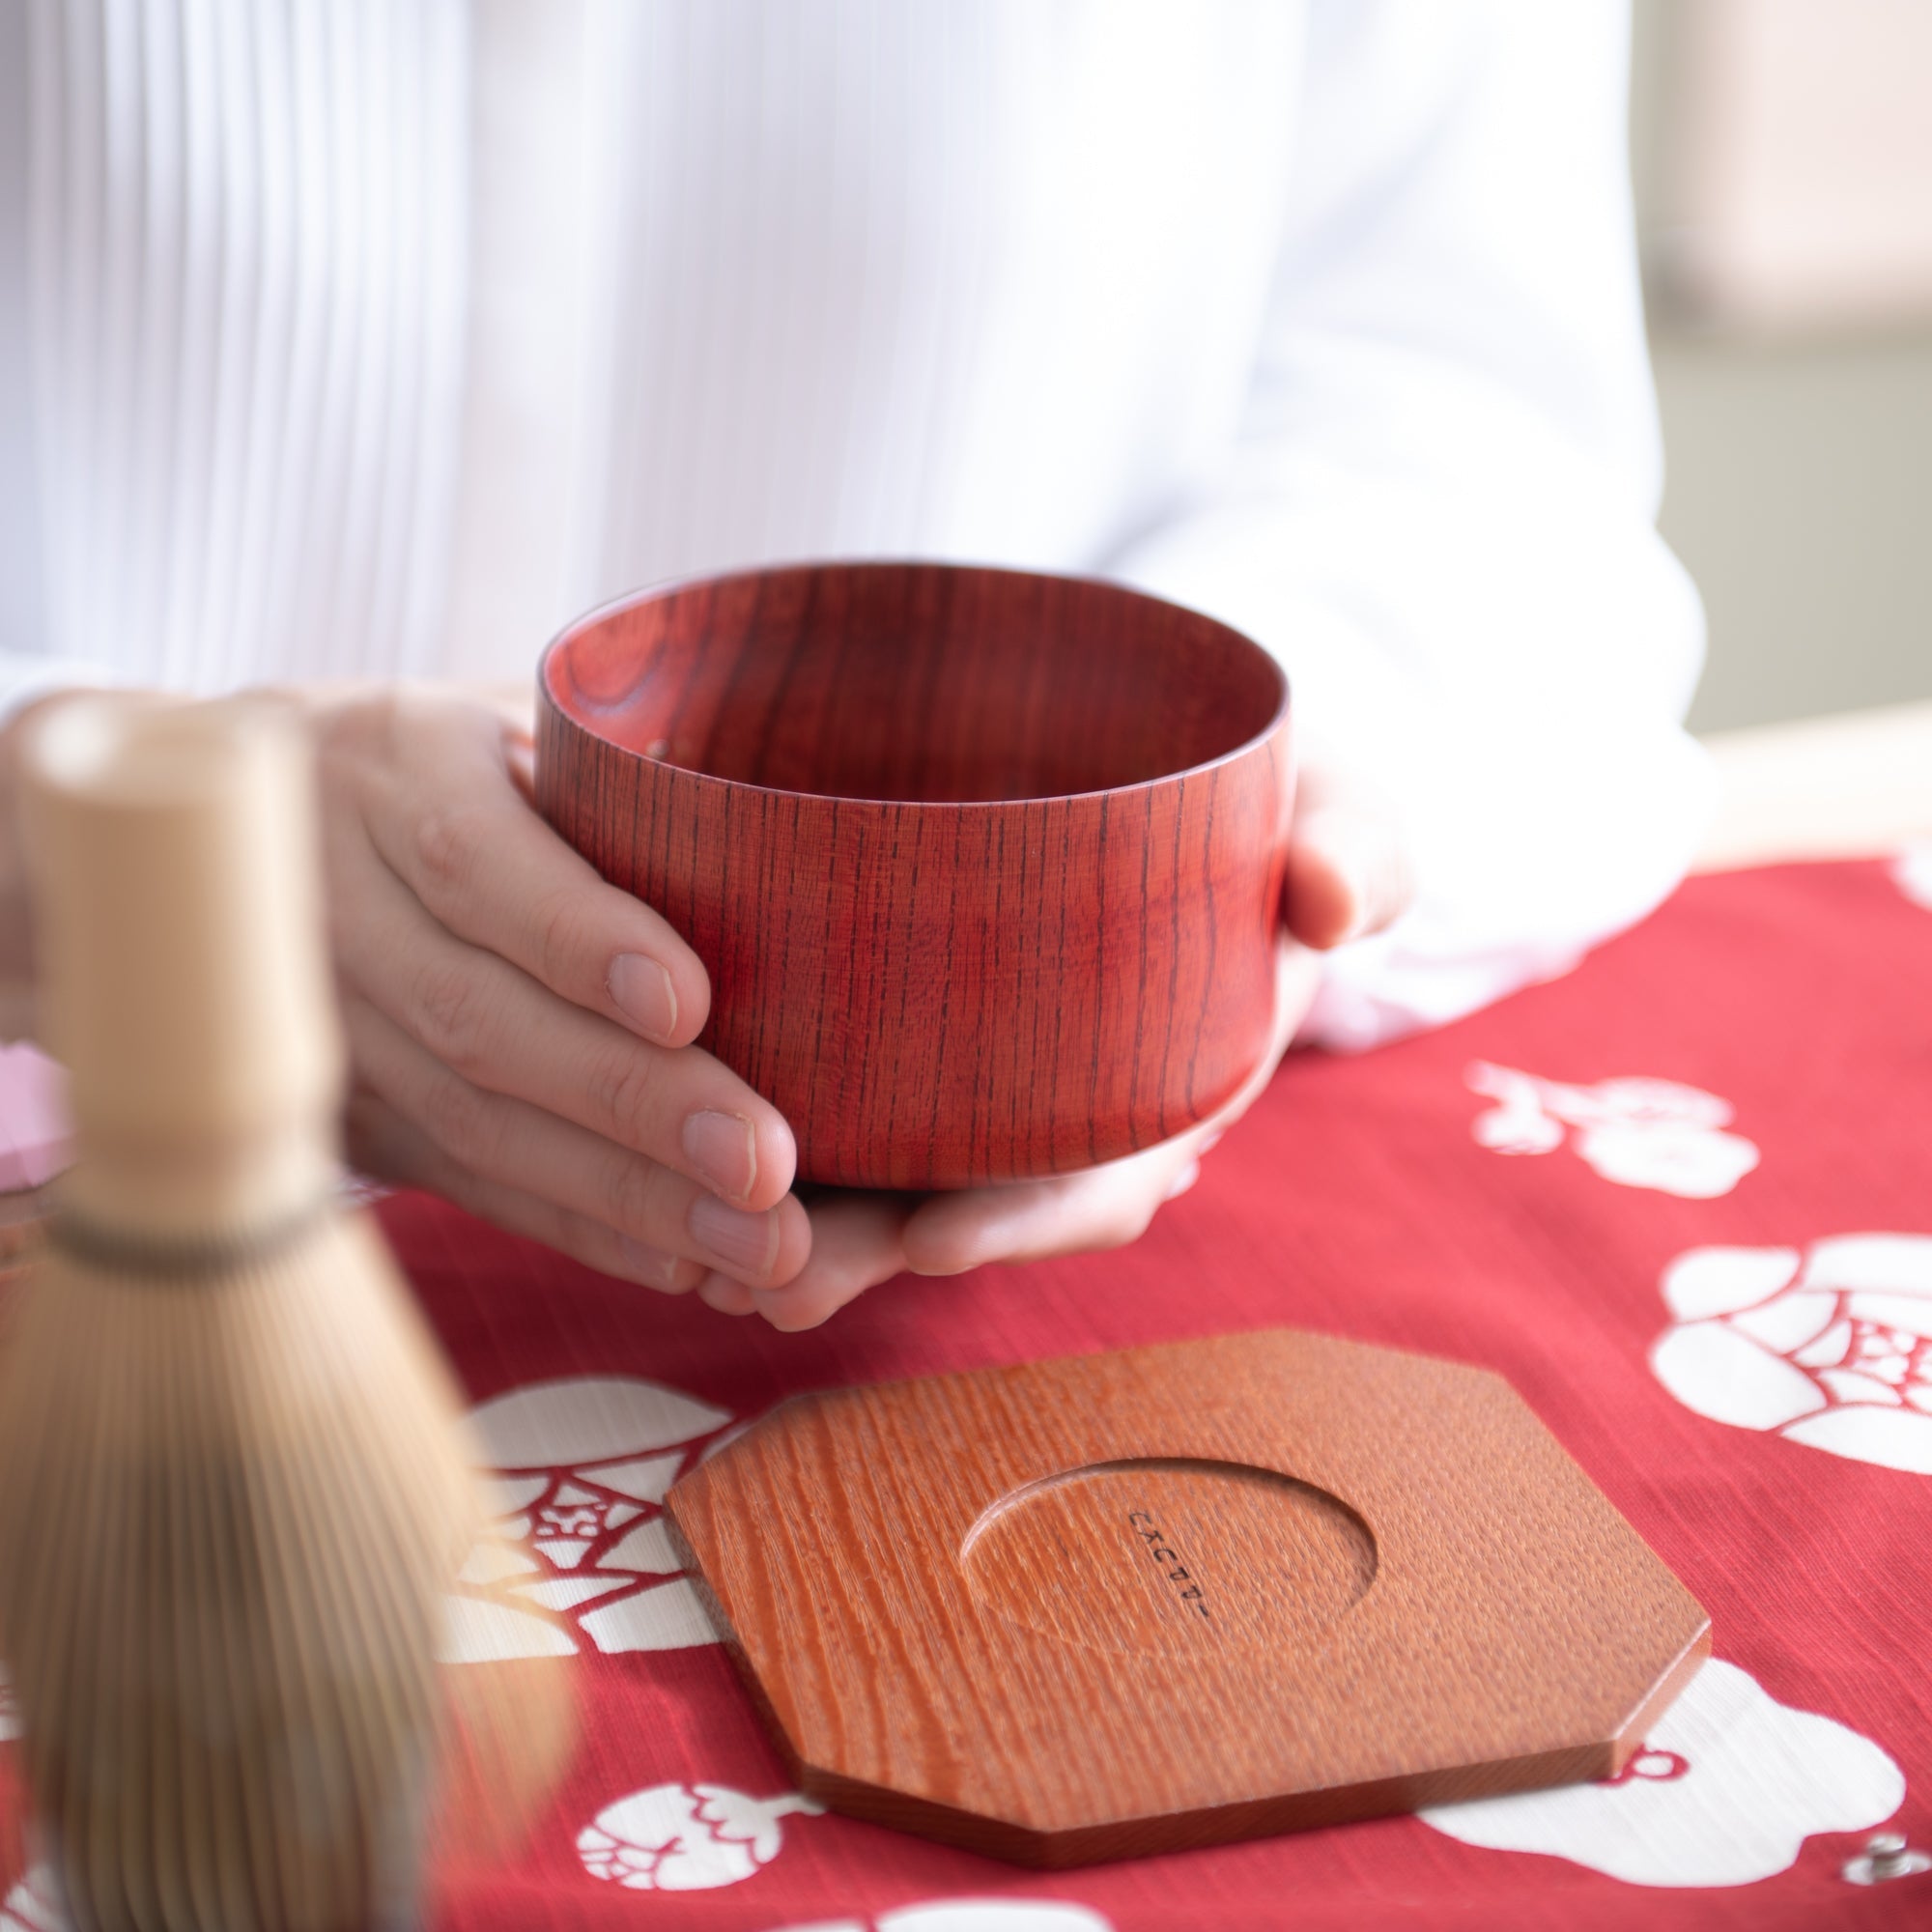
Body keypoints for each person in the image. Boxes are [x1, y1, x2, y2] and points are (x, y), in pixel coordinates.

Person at [0, 1, 1710, 1329]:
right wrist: (81, 836)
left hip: (983, 1311)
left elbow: (1465, 426)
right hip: (83, 1269)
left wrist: (1252, 820)